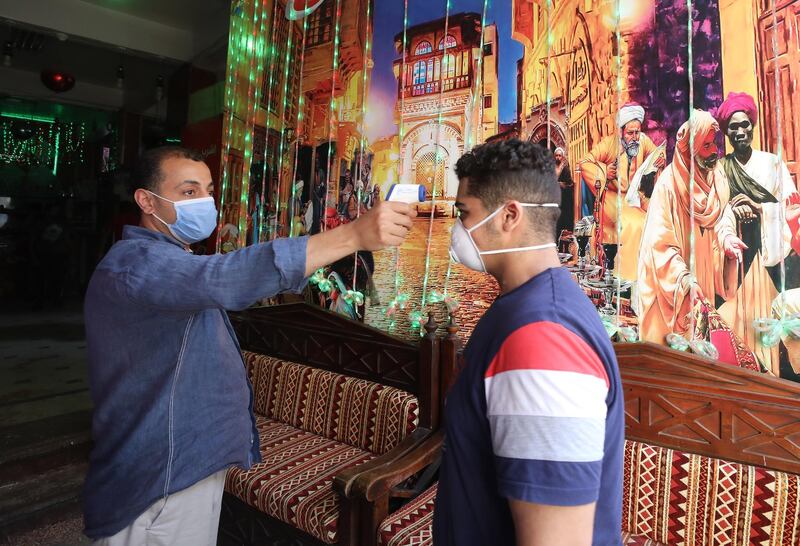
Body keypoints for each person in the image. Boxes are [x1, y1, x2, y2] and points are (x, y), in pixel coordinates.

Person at [82, 146, 415, 545]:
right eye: (188, 192)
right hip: (163, 468)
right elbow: (224, 278)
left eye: (207, 191)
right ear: (146, 200)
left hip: (189, 457)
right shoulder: (138, 263)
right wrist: (353, 235)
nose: (204, 202)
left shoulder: (170, 259)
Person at [435, 139, 624, 546]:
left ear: (509, 216)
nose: (458, 230)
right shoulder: (524, 306)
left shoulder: (543, 341)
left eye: (464, 214)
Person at [637, 110, 742, 344]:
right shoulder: (668, 185)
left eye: (713, 144)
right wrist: (685, 280)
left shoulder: (717, 178)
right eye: (706, 146)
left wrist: (726, 237)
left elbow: (723, 213)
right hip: (672, 287)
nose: (714, 151)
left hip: (700, 281)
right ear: (689, 150)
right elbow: (660, 245)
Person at [713, 92, 799, 374]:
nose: (740, 132)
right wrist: (731, 218)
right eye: (733, 127)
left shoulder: (773, 164)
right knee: (737, 325)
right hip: (738, 258)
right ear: (726, 132)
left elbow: (792, 207)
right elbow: (716, 211)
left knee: (775, 328)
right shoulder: (721, 169)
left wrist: (760, 208)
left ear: (752, 126)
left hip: (771, 258)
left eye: (744, 125)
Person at [579, 103, 666, 279]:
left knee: (660, 220)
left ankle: (651, 278)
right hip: (613, 199)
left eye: (637, 132)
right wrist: (604, 172)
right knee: (636, 225)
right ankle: (628, 278)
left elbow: (655, 156)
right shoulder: (609, 144)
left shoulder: (643, 141)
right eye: (630, 133)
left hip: (638, 197)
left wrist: (659, 162)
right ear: (621, 132)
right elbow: (585, 162)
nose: (635, 137)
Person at [553, 146, 574, 236]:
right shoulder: (552, 168)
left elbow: (569, 183)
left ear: (562, 157)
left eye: (559, 156)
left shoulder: (565, 169)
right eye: (556, 155)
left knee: (563, 220)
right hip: (555, 198)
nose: (558, 157)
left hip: (564, 200)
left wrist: (561, 184)